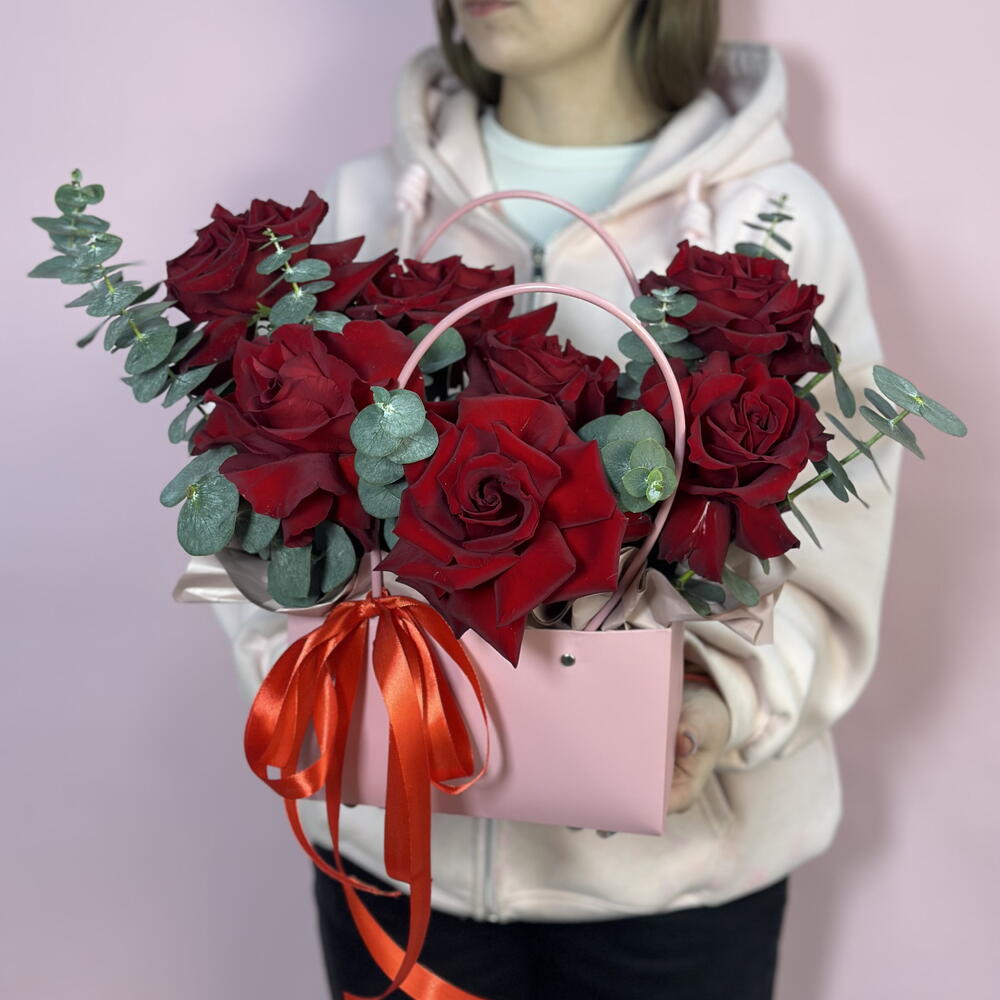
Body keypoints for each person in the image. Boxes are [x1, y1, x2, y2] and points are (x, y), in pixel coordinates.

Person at [211, 1, 901, 996]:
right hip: (401, 863)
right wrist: (307, 684)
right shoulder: (361, 205)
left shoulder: (774, 221)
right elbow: (246, 495)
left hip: (673, 896)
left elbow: (836, 538)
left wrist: (720, 704)